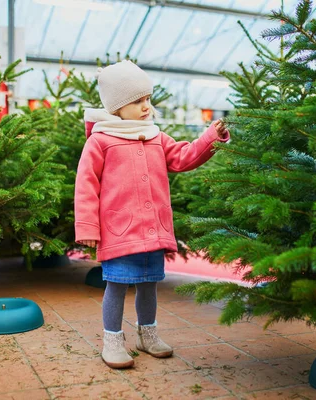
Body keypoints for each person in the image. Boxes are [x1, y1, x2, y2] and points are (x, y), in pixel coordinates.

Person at [74, 60, 230, 369]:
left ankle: (148, 335)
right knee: (116, 285)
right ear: (117, 107)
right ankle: (113, 340)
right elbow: (86, 184)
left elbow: (184, 157)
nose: (146, 107)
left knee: (148, 284)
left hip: (151, 230)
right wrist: (88, 227)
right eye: (137, 101)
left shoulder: (156, 136)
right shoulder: (101, 141)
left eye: (147, 99)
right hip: (119, 230)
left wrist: (210, 137)